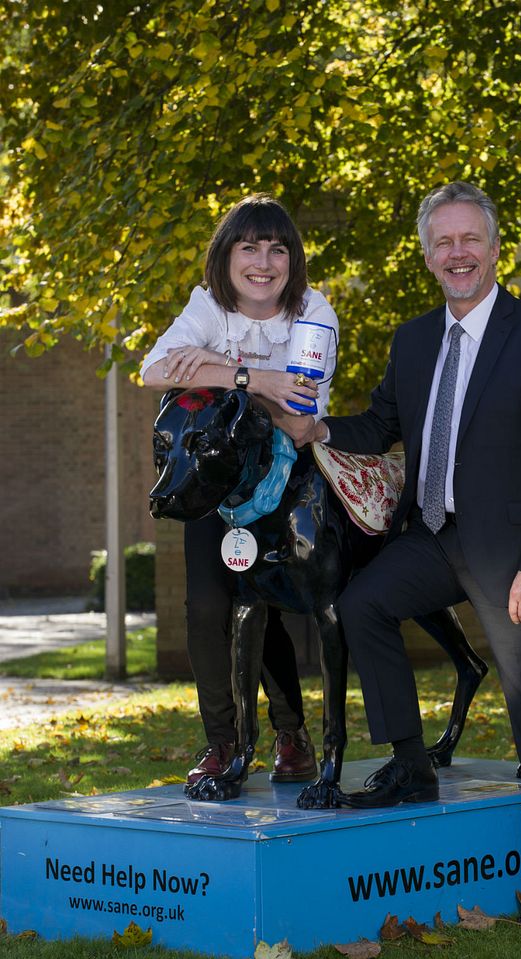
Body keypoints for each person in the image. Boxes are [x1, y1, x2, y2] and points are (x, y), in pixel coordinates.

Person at [295, 181, 521, 926]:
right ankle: (412, 760)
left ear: (495, 247)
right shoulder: (415, 339)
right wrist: (320, 430)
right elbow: (383, 423)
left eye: (470, 239)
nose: (457, 253)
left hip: (515, 554)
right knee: (362, 604)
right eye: (443, 242)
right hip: (435, 536)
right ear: (428, 256)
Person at [141, 193, 338, 792]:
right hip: (216, 478)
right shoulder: (208, 304)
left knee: (262, 605)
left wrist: (209, 365)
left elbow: (299, 414)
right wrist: (254, 376)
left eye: (277, 249)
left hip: (282, 483)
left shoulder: (314, 313)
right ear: (225, 256)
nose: (263, 261)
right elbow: (154, 370)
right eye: (248, 247)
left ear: (293, 260)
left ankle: (289, 736)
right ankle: (222, 742)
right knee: (206, 607)